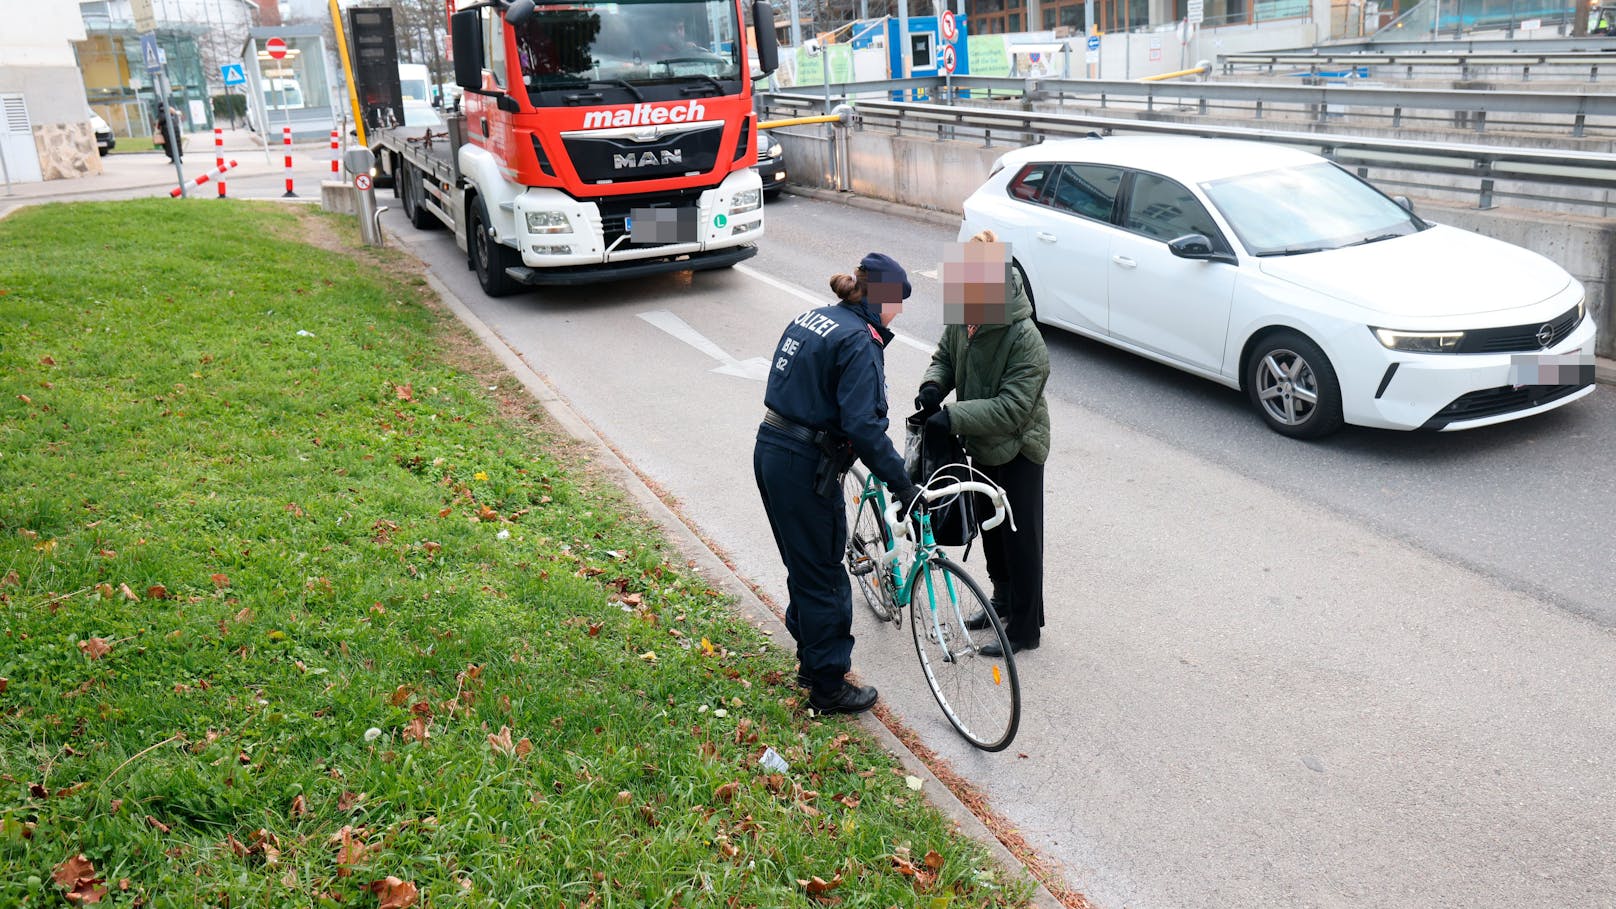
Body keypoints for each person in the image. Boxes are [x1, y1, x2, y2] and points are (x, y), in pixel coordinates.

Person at [755, 253, 923, 715]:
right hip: (804, 464)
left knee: (803, 564)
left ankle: (811, 661)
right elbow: (865, 427)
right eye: (899, 301)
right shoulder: (859, 341)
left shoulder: (816, 318)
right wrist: (903, 485)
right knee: (825, 576)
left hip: (771, 448)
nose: (901, 312)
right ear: (883, 297)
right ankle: (828, 686)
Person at [916, 230, 1050, 656]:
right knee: (990, 530)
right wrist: (933, 387)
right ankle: (1003, 601)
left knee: (1019, 536)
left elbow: (1013, 408)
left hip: (1018, 446)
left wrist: (952, 417)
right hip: (978, 441)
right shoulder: (965, 314)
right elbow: (944, 357)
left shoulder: (1025, 338)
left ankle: (1026, 628)